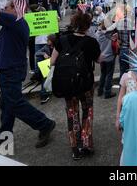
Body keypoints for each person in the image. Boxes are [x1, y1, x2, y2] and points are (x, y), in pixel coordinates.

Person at [0, 0, 56, 149]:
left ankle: (44, 124)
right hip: (8, 68)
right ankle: (5, 134)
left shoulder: (16, 20)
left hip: (12, 69)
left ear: (16, 9)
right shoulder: (12, 23)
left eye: (7, 6)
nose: (4, 9)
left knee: (14, 102)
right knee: (7, 103)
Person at [50, 11, 101, 160]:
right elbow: (99, 60)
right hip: (85, 84)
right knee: (87, 112)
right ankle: (86, 144)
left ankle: (75, 148)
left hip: (67, 84)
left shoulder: (62, 40)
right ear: (87, 26)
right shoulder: (91, 42)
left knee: (72, 114)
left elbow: (52, 62)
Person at [95, 21, 117, 99]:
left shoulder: (97, 34)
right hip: (110, 57)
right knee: (109, 75)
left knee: (103, 74)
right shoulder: (110, 34)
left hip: (101, 57)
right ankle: (107, 92)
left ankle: (100, 90)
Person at [34, 34, 56, 104]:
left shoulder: (57, 47)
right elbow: (37, 53)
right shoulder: (46, 47)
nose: (46, 41)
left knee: (46, 76)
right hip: (49, 66)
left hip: (56, 65)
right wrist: (44, 54)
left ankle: (45, 93)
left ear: (52, 41)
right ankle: (44, 94)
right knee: (45, 76)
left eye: (48, 40)